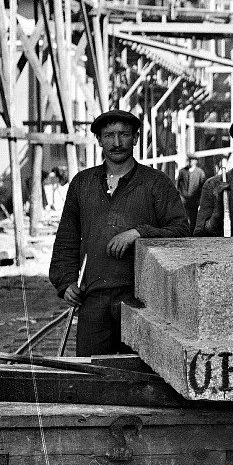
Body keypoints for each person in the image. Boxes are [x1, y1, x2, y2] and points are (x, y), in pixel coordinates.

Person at [50, 110, 189, 355]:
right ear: (99, 140)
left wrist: (138, 233)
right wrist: (66, 281)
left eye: (124, 135)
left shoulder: (156, 183)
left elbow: (180, 231)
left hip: (141, 299)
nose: (116, 143)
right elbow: (67, 238)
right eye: (109, 135)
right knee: (92, 372)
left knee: (139, 374)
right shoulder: (83, 183)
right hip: (94, 297)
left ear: (135, 138)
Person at [176, 157, 206, 225]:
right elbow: (177, 185)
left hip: (194, 200)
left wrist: (200, 200)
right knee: (183, 218)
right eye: (189, 160)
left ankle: (192, 234)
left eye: (192, 160)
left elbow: (203, 187)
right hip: (183, 199)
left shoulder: (200, 172)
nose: (190, 162)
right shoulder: (182, 171)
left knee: (193, 219)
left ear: (195, 161)